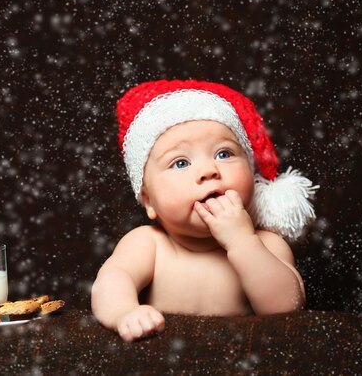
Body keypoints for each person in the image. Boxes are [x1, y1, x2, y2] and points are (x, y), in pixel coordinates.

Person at [91, 80, 318, 342]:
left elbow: (286, 308)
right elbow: (110, 282)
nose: (208, 171)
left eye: (224, 154)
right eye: (180, 162)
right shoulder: (149, 244)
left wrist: (242, 242)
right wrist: (124, 312)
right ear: (149, 201)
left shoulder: (267, 244)